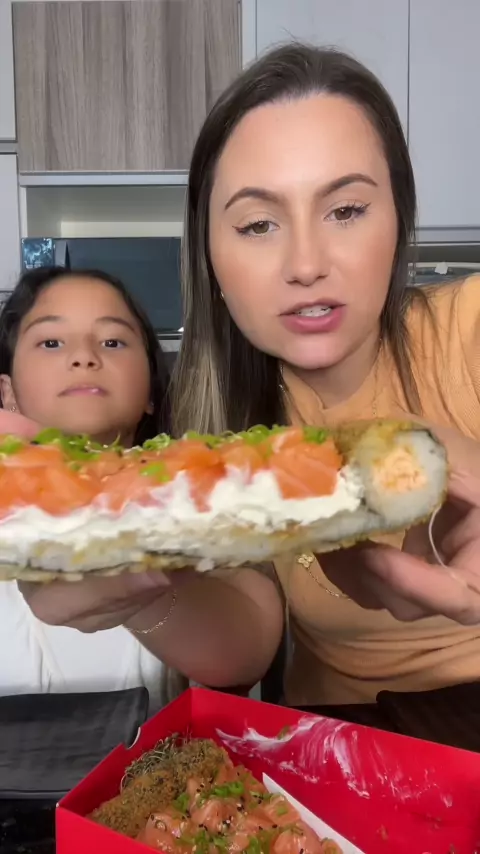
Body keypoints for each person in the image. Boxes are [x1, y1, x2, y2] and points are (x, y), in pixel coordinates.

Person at [7, 45, 480, 708]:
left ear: (399, 219)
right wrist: (137, 588)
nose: (306, 263)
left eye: (346, 211)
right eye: (258, 224)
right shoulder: (214, 424)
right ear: (210, 258)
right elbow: (245, 648)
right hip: (342, 739)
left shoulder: (469, 326)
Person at [0, 267, 183, 710]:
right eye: (51, 342)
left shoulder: (201, 508)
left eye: (113, 342)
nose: (84, 357)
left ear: (151, 390)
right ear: (8, 395)